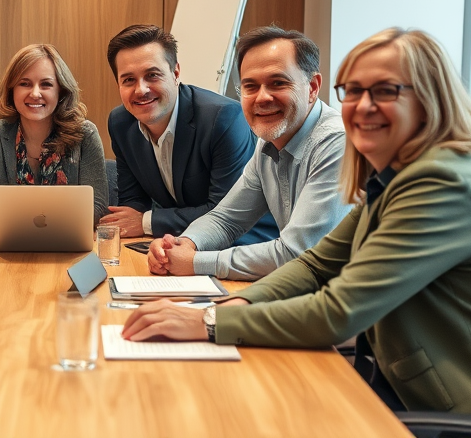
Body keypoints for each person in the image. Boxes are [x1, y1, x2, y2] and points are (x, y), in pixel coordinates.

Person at [123, 28, 471, 417]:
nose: (362, 105)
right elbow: (315, 263)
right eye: (353, 91)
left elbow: (338, 312)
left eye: (385, 91)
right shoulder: (399, 175)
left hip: (444, 410)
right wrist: (235, 304)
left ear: (429, 99)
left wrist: (209, 321)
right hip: (395, 379)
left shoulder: (442, 184)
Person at [147, 26, 352, 280]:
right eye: (250, 86)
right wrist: (182, 245)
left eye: (278, 83)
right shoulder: (268, 142)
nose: (262, 97)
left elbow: (297, 253)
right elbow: (226, 219)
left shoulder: (338, 143)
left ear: (312, 87)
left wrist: (197, 262)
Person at [100, 24, 277, 242]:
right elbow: (133, 203)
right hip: (175, 239)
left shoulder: (223, 119)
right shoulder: (121, 123)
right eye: (128, 80)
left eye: (152, 75)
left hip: (245, 243)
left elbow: (225, 215)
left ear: (175, 73)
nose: (141, 90)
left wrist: (146, 222)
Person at [0, 44, 108, 229]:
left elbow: (96, 209)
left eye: (46, 84)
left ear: (61, 91)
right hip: (10, 249)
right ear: (12, 91)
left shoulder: (85, 134)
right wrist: (61, 217)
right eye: (24, 83)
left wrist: (15, 217)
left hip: (69, 249)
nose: (35, 93)